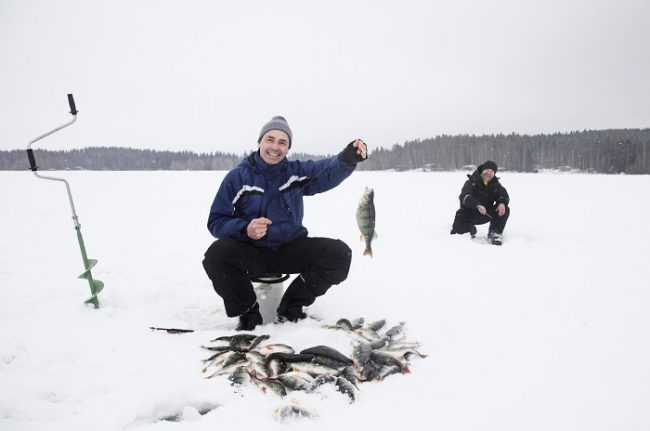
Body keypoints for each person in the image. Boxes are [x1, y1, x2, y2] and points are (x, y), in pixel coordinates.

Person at [202, 115, 368, 330]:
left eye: (282, 142)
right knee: (217, 255)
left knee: (338, 254)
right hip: (251, 251)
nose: (275, 147)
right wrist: (245, 229)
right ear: (260, 141)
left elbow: (326, 170)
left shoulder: (296, 172)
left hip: (289, 249)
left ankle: (291, 308)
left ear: (288, 148)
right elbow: (216, 221)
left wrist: (347, 158)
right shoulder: (237, 177)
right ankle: (248, 316)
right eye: (270, 139)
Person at [450, 160, 510, 245]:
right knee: (458, 233)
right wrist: (477, 205)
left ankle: (494, 233)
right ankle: (470, 229)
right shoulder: (471, 182)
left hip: (486, 213)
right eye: (487, 170)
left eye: (491, 171)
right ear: (482, 170)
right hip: (469, 213)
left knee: (505, 209)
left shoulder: (495, 185)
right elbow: (464, 197)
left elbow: (503, 195)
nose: (488, 173)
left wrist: (502, 203)